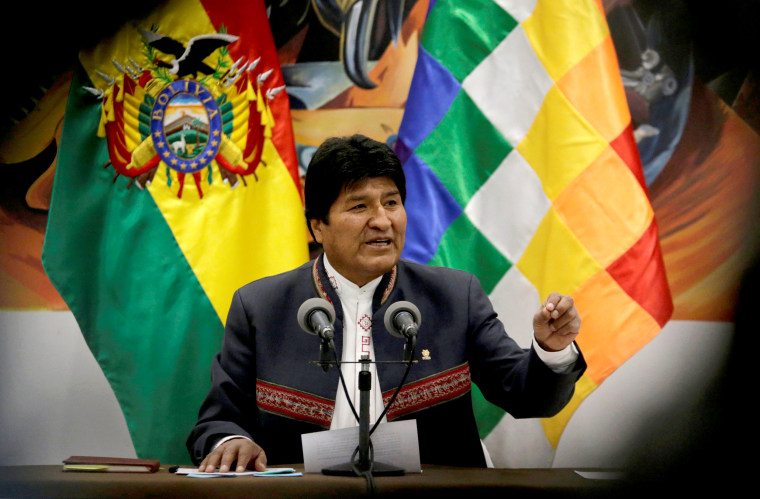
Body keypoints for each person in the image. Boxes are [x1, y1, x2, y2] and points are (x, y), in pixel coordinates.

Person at [186, 134, 586, 472]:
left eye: (391, 203)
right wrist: (230, 441)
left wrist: (551, 350)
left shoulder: (453, 296)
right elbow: (220, 418)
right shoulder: (261, 306)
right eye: (359, 206)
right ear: (317, 227)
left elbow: (529, 397)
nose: (382, 220)